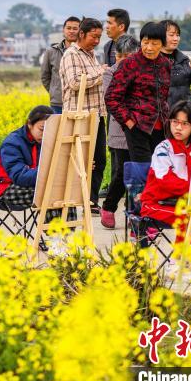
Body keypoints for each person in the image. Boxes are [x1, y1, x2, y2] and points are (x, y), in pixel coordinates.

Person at [140, 100, 191, 245]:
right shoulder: (163, 149)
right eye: (175, 122)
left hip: (182, 203)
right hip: (155, 205)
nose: (178, 127)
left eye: (185, 124)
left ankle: (190, 258)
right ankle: (177, 261)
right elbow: (167, 182)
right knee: (189, 218)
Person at [106, 22, 172, 164]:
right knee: (143, 172)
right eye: (145, 42)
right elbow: (112, 97)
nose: (149, 48)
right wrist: (129, 122)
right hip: (138, 127)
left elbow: (164, 96)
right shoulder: (130, 64)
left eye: (154, 43)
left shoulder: (166, 64)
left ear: (162, 44)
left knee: (160, 169)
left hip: (161, 128)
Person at [59, 17, 106, 214]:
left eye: (99, 37)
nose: (96, 41)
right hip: (79, 116)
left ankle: (91, 200)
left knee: (99, 159)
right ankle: (75, 199)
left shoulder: (91, 55)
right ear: (82, 34)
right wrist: (101, 74)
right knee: (80, 160)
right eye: (93, 37)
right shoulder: (71, 55)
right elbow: (75, 82)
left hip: (97, 115)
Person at [100, 34, 139, 229]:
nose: (122, 61)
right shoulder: (110, 73)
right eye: (120, 56)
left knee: (138, 173)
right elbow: (112, 100)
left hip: (140, 130)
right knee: (122, 173)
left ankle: (134, 214)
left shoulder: (142, 71)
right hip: (120, 129)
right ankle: (108, 206)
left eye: (128, 57)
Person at [0, 105, 54, 209]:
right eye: (42, 129)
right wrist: (48, 173)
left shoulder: (45, 140)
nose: (45, 134)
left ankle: (63, 225)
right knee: (47, 193)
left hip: (30, 183)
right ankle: (55, 226)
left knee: (61, 192)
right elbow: (19, 176)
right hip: (2, 187)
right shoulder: (12, 143)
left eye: (49, 130)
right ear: (29, 124)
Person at [160, 19, 191, 107]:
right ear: (160, 36)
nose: (176, 39)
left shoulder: (183, 60)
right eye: (171, 35)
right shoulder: (153, 60)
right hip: (164, 113)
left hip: (185, 111)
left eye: (177, 35)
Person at [41, 16, 80, 113]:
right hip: (58, 103)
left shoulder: (85, 52)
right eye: (68, 28)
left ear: (81, 31)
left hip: (79, 103)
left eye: (75, 29)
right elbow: (45, 76)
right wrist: (54, 92)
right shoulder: (51, 51)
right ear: (63, 30)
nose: (71, 31)